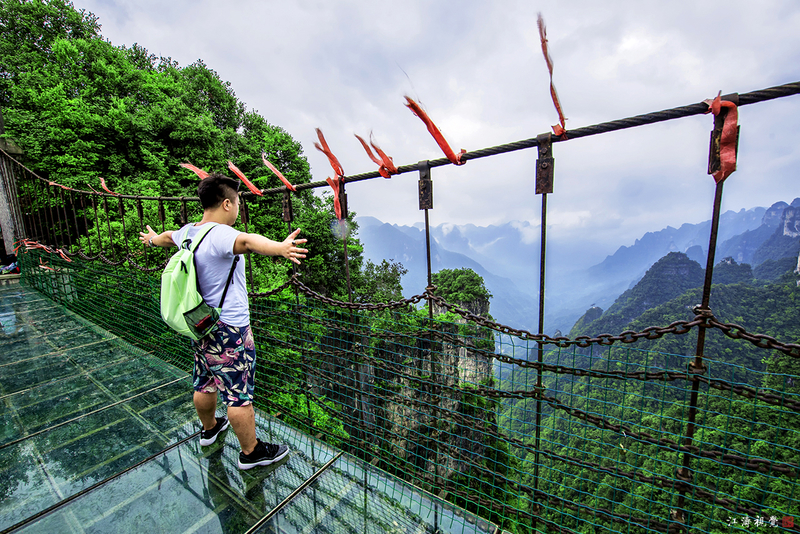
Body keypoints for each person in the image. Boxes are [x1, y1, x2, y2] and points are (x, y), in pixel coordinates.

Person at [139, 173, 308, 470]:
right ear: (227, 203)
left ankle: (209, 429)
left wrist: (152, 240)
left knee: (204, 382)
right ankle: (251, 453)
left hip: (201, 323)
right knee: (239, 394)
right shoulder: (221, 234)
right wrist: (279, 248)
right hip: (229, 329)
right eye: (239, 202)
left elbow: (167, 237)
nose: (240, 207)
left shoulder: (189, 231)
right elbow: (248, 241)